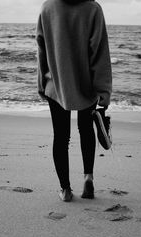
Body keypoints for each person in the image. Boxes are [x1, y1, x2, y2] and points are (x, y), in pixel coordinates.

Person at [36, 0, 112, 202]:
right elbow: (100, 51)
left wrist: (41, 84)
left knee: (61, 137)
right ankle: (88, 178)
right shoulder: (93, 9)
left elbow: (41, 48)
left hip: (56, 84)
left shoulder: (47, 7)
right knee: (86, 129)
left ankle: (66, 189)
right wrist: (104, 89)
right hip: (85, 84)